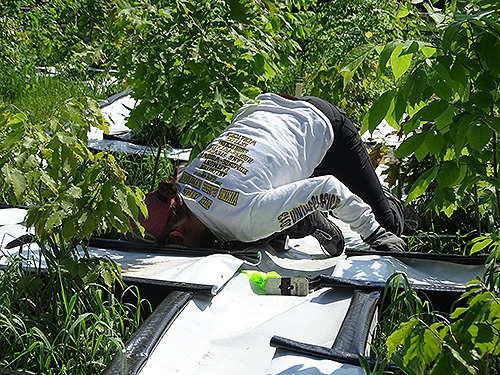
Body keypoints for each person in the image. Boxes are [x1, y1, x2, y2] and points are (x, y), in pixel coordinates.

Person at [133, 93, 407, 255]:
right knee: (244, 236)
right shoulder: (181, 184)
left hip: (326, 128)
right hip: (266, 110)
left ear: (176, 237)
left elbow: (328, 189)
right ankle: (308, 216)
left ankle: (379, 196)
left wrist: (373, 234)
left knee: (388, 225)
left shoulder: (244, 219)